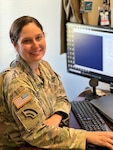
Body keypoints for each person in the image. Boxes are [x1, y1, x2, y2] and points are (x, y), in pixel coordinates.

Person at [1, 16, 113, 150]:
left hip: (48, 137)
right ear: (15, 44)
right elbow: (36, 134)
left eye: (38, 37)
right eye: (27, 41)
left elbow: (62, 98)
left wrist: (57, 115)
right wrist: (86, 136)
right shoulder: (16, 83)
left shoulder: (44, 66)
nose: (36, 45)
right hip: (25, 146)